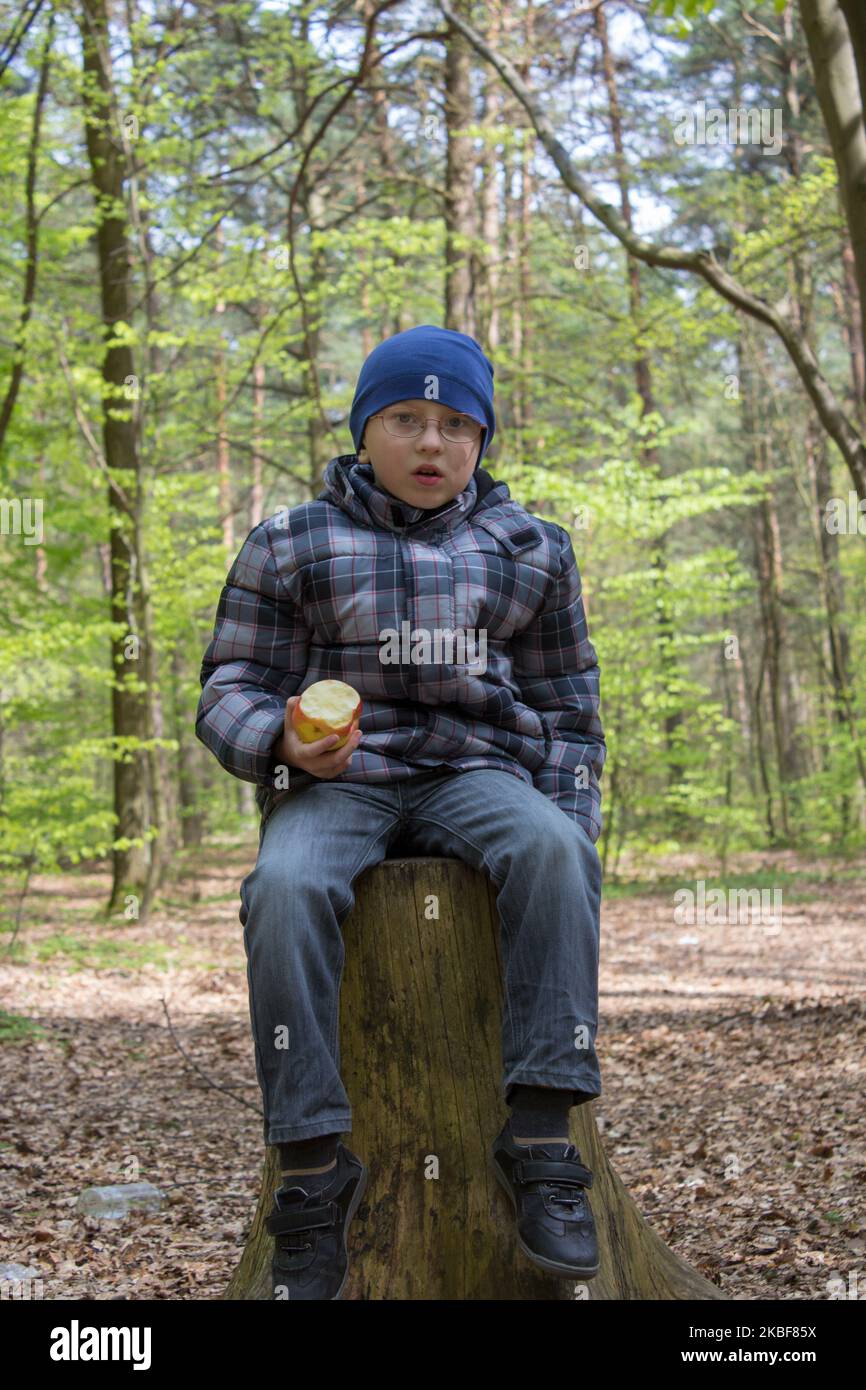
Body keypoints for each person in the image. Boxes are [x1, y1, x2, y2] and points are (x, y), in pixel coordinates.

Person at [196, 324, 606, 1299]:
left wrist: (573, 821)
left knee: (553, 851)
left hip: (477, 767)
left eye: (456, 425)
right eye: (405, 420)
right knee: (283, 888)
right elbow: (229, 684)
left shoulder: (530, 547)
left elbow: (566, 709)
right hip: (338, 779)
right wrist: (283, 743)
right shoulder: (291, 540)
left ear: (480, 439)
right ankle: (309, 1166)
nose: (431, 444)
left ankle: (542, 1133)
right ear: (363, 429)